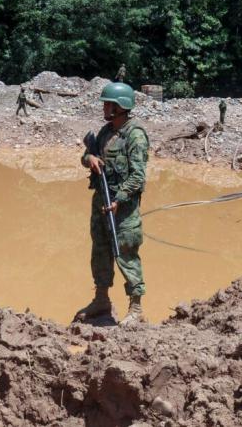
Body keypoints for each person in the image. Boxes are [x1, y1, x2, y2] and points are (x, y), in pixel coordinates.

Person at [75, 82, 149, 327]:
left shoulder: (135, 135)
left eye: (109, 104)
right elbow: (86, 156)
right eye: (105, 103)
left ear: (121, 107)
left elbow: (138, 177)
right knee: (101, 252)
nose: (105, 108)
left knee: (125, 254)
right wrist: (91, 159)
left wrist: (119, 199)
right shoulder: (106, 132)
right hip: (101, 204)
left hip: (123, 210)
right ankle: (101, 299)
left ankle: (135, 307)